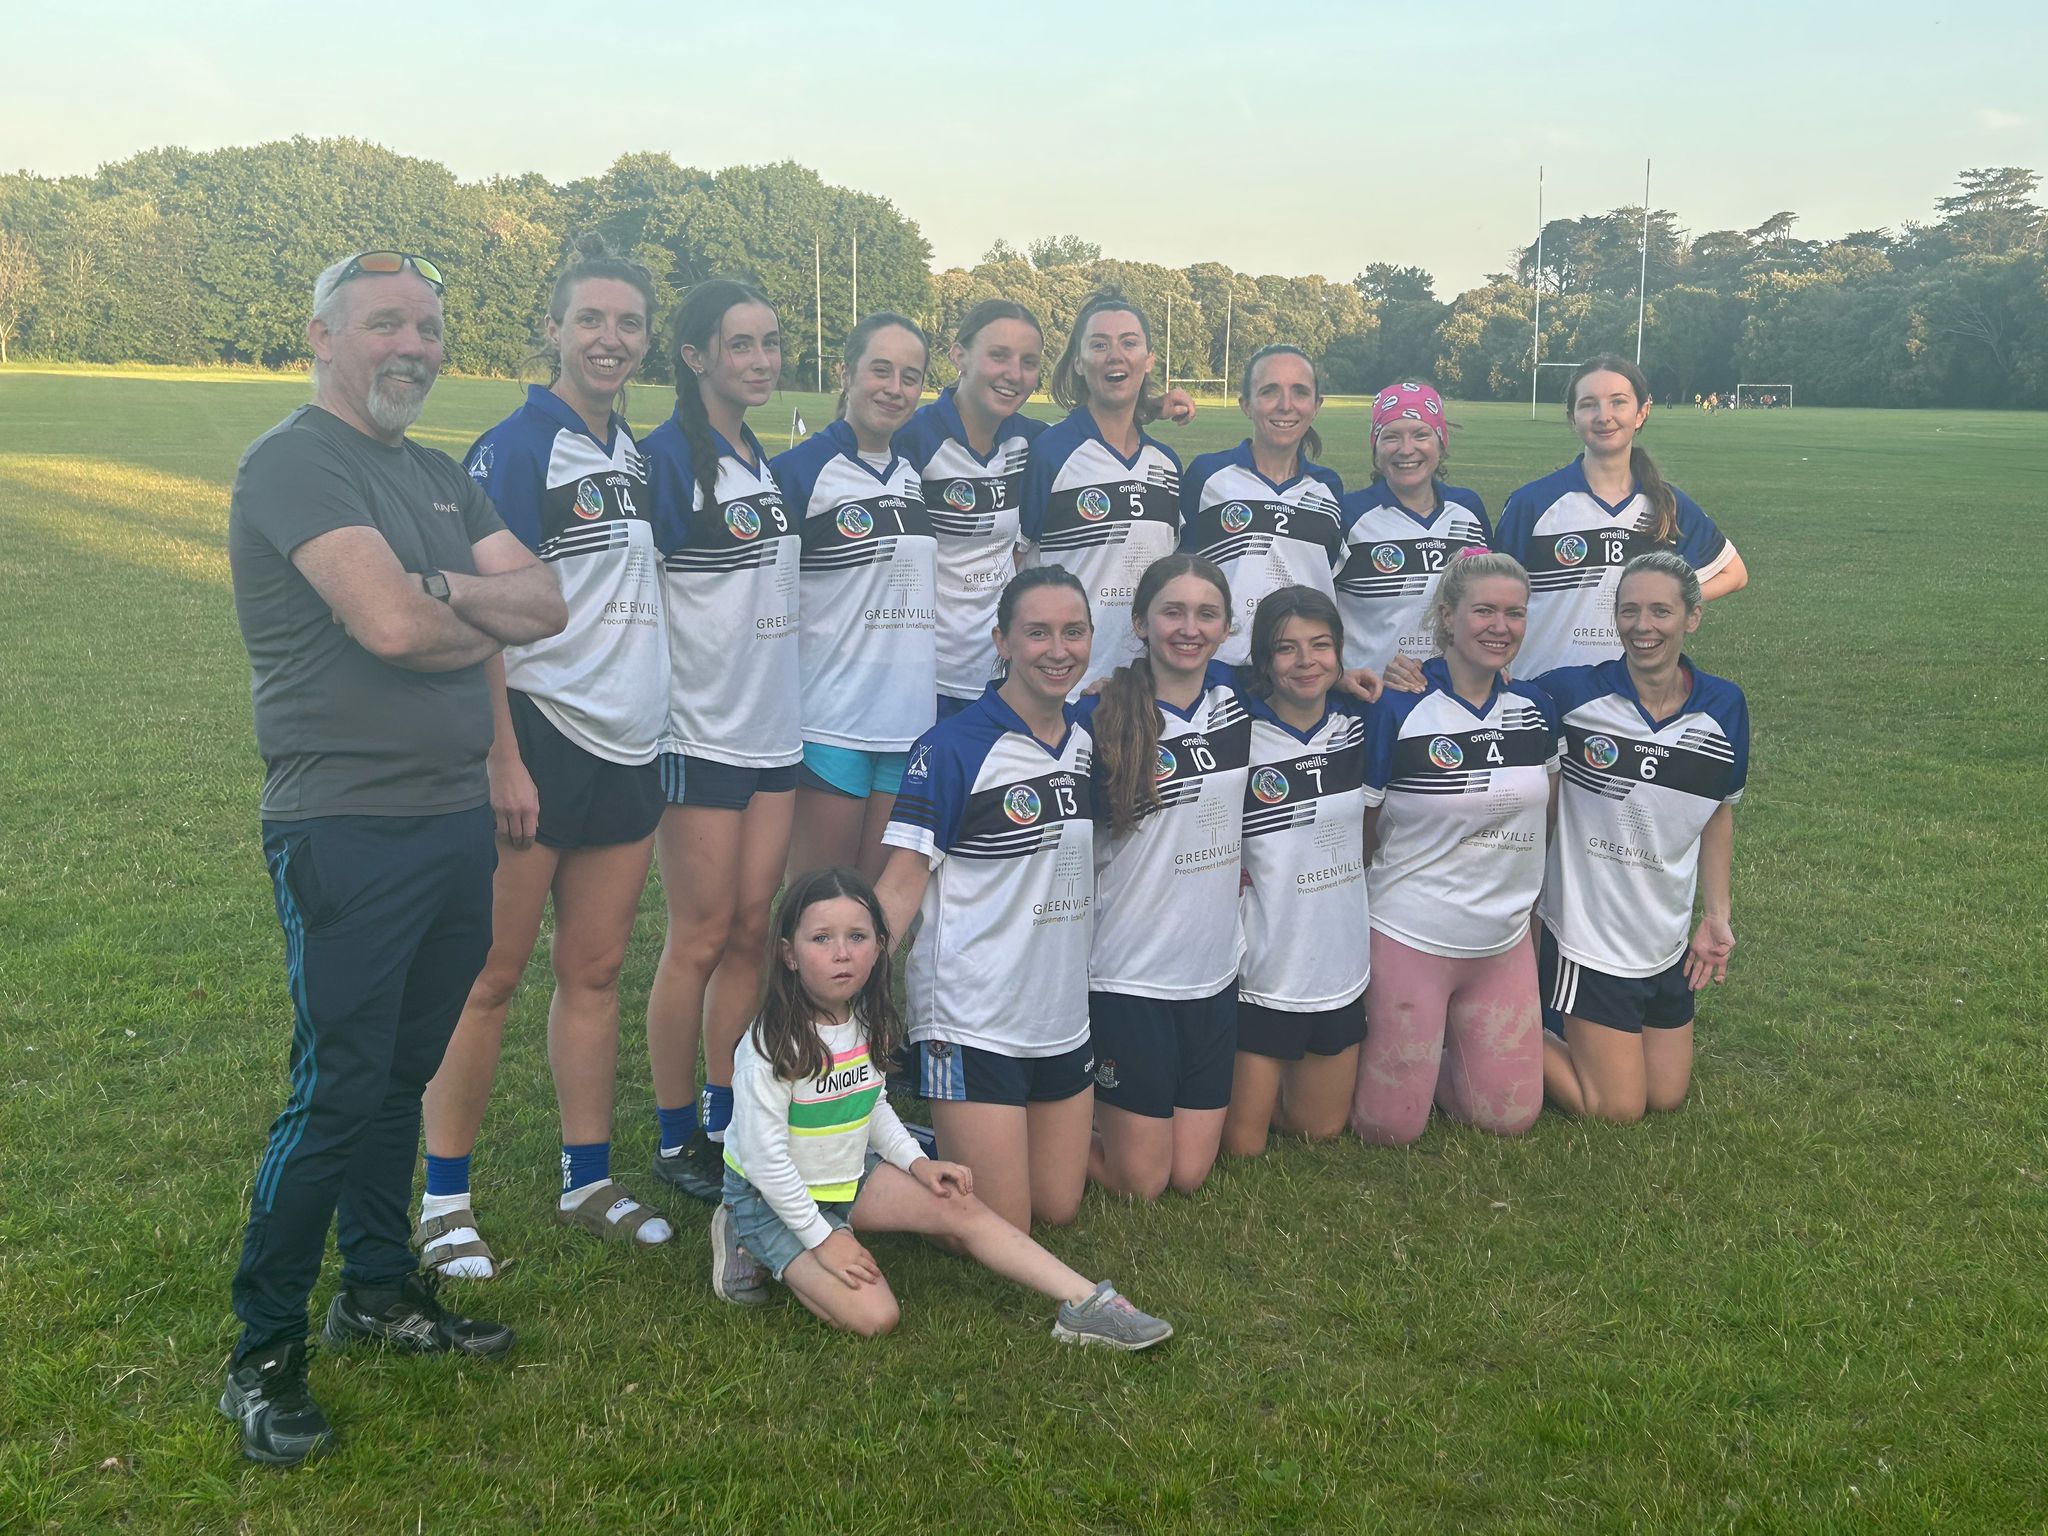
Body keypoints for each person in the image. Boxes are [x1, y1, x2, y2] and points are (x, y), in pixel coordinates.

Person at [223, 249, 566, 1463]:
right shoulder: (295, 461)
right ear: (322, 335)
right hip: (345, 825)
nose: (413, 345)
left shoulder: (432, 472)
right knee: (337, 1086)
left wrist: (437, 594)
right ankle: (262, 1352)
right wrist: (454, 602)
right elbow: (389, 626)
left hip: (452, 819)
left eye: (427, 325)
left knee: (399, 1075)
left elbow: (547, 605)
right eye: (384, 323)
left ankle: (374, 1287)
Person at [418, 239, 672, 1279]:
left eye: (628, 323)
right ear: (555, 330)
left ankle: (586, 1179)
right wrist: (501, 757)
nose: (610, 339)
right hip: (540, 737)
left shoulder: (635, 452)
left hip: (630, 745)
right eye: (591, 320)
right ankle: (443, 1200)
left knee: (596, 971)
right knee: (488, 977)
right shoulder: (515, 449)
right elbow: (484, 611)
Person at [710, 868, 1174, 1350]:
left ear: (879, 946)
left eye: (857, 937)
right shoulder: (769, 1046)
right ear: (789, 954)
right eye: (821, 938)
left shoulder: (865, 1017)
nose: (842, 953)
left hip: (847, 1172)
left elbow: (872, 1104)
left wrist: (917, 1164)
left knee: (960, 1206)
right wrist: (824, 1240)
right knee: (876, 1317)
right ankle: (741, 1230)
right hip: (769, 1195)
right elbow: (766, 1161)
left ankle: (1087, 1302)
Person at [872, 567, 1099, 1231]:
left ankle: (933, 1139)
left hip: (1059, 1014)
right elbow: (900, 884)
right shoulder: (952, 747)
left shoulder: (1087, 740)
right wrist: (844, 994)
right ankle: (836, 1173)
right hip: (970, 1017)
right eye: (1037, 633)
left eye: (1074, 632)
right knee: (1002, 1226)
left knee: (1058, 1206)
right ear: (1002, 641)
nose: (1058, 650)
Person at [639, 280, 800, 1203]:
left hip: (773, 733)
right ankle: (673, 1138)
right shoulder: (663, 462)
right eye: (741, 345)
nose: (762, 360)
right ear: (695, 356)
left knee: (749, 929)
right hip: (699, 735)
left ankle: (724, 1113)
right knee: (698, 937)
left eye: (769, 343)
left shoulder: (758, 458)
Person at [1351, 552, 1558, 1147]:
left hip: (1501, 940)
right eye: (1484, 611)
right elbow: (1364, 827)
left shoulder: (1535, 708)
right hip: (1411, 934)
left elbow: (1546, 813)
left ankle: (1443, 1050)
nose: (1501, 627)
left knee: (1508, 1117)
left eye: (1515, 613)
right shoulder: (1397, 705)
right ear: (1447, 616)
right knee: (1388, 1130)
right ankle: (1396, 1046)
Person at [1532, 552, 1748, 1121]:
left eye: (1660, 611)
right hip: (1589, 939)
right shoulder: (1571, 695)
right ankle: (1492, 1026)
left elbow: (1718, 812)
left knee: (1666, 1096)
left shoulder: (1724, 706)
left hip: (1664, 939)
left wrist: (1716, 917)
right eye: (1629, 611)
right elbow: (1486, 684)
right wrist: (1420, 676)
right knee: (1617, 1109)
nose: (1642, 626)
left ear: (1692, 617)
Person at [1077, 555, 1252, 1200]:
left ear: (1227, 628)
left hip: (1212, 971)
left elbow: (1310, 669)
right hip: (1129, 975)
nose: (1189, 628)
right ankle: (1029, 1122)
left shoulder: (1239, 703)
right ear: (1140, 623)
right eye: (1172, 612)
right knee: (1143, 1183)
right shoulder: (1095, 719)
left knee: (1189, 1173)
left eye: (1207, 614)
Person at [777, 312, 936, 883]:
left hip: (908, 723)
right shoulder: (797, 472)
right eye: (880, 370)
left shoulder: (911, 475)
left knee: (877, 912)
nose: (895, 388)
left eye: (910, 377)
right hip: (831, 721)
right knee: (818, 905)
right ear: (845, 374)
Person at [1221, 587, 1379, 1158]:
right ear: (1263, 661)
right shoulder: (1235, 729)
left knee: (1320, 1128)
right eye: (1287, 648)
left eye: (1321, 645)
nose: (1306, 661)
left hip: (1339, 961)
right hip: (1264, 968)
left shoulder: (1362, 721)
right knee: (1242, 1145)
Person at [1495, 355, 1747, 679]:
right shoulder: (1532, 503)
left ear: (1642, 412)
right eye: (1589, 405)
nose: (1604, 416)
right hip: (1543, 690)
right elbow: (1492, 594)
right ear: (1572, 418)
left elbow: (1733, 573)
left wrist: (1665, 600)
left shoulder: (1667, 504)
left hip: (1632, 695)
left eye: (1618, 402)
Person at [1022, 289, 1186, 694]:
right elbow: (1014, 562)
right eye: (1099, 345)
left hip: (1147, 690)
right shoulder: (1050, 452)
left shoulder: (1167, 464)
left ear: (1149, 359)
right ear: (1078, 362)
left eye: (1129, 343)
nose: (1115, 355)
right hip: (1065, 687)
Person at [895, 300, 1049, 719]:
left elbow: (1099, 425)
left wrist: (1150, 406)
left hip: (1003, 674)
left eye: (1029, 362)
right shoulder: (914, 437)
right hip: (924, 675)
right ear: (959, 355)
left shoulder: (1034, 441)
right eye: (998, 355)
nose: (1014, 374)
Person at [1179, 345, 1346, 666]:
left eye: (1300, 392)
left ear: (1317, 405)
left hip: (1303, 670)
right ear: (1246, 404)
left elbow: (1329, 581)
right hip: (1222, 667)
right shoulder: (1208, 475)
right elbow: (1180, 571)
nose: (1285, 405)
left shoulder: (1329, 488)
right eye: (1269, 391)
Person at [1334, 380, 1492, 673]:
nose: (1406, 449)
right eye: (1391, 437)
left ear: (1441, 442)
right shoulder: (1348, 515)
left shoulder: (1469, 509)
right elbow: (1316, 609)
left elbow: (1491, 600)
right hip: (1374, 692)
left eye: (1421, 435)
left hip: (1454, 689)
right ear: (1375, 447)